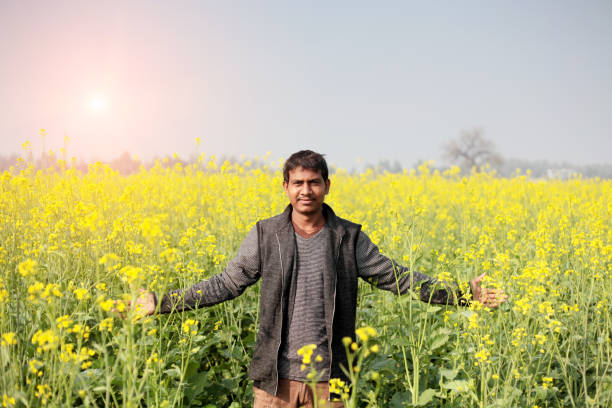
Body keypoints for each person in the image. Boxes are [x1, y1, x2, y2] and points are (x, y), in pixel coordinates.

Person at [132, 150, 507, 408]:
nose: (305, 190)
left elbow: (397, 277)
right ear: (285, 187)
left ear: (327, 185)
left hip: (331, 380)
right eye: (297, 183)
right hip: (273, 381)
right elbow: (227, 283)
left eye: (313, 182)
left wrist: (461, 294)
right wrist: (163, 302)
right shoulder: (267, 235)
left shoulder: (348, 239)